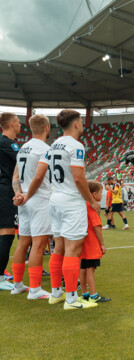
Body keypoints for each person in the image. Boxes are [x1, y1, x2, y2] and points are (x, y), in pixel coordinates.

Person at [47, 109, 100, 310]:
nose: (83, 125)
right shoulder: (76, 146)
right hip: (71, 201)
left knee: (58, 247)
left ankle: (56, 293)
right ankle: (71, 299)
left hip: (55, 198)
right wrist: (92, 202)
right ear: (76, 123)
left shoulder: (53, 145)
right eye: (81, 121)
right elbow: (78, 177)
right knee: (73, 249)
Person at [10, 114, 52, 299]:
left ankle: (17, 285)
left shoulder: (23, 149)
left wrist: (18, 195)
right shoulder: (45, 149)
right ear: (47, 127)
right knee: (39, 244)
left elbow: (15, 177)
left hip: (24, 200)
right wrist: (27, 196)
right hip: (38, 199)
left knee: (23, 243)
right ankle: (35, 289)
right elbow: (39, 177)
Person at [79, 181, 110, 303]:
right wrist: (102, 243)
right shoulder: (92, 206)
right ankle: (93, 295)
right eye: (101, 192)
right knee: (91, 269)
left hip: (82, 241)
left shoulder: (83, 205)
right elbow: (97, 227)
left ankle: (85, 293)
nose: (102, 195)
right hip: (91, 243)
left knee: (83, 268)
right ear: (94, 194)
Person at [0, 112, 21, 291]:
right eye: (19, 122)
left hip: (3, 189)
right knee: (7, 232)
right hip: (6, 190)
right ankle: (0, 277)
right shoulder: (8, 143)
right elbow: (23, 162)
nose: (21, 125)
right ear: (13, 123)